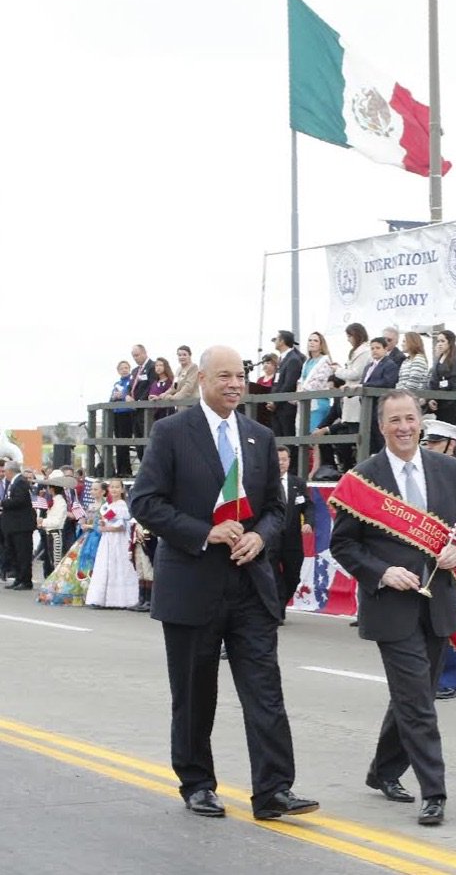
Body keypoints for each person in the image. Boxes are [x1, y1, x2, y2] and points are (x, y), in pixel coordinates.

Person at [131, 345, 317, 820]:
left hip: (249, 584)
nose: (235, 384)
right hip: (193, 584)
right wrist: (204, 531)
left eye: (240, 376)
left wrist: (259, 537)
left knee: (265, 690)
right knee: (195, 694)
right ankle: (197, 783)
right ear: (203, 381)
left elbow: (276, 509)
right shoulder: (171, 433)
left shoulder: (257, 435)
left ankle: (273, 791)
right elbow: (145, 502)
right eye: (224, 377)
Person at [329, 389, 456, 827]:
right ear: (382, 427)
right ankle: (435, 792)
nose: (404, 427)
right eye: (395, 421)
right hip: (391, 605)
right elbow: (343, 544)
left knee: (416, 695)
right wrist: (382, 572)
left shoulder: (450, 470)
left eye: (410, 418)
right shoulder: (362, 479)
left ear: (421, 422)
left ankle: (383, 770)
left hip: (438, 602)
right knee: (417, 701)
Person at [421, 420, 456, 700]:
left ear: (452, 445)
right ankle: (432, 676)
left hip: (452, 559)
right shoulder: (425, 473)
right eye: (427, 442)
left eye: (436, 442)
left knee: (452, 619)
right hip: (426, 556)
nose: (430, 447)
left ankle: (451, 678)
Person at [37, 480, 106, 606]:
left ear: (103, 492)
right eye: (92, 489)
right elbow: (85, 519)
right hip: (87, 536)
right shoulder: (91, 505)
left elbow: (103, 522)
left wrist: (91, 526)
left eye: (96, 489)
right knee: (73, 563)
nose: (93, 492)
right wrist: (83, 524)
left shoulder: (105, 506)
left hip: (98, 537)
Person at [269, 445, 315, 619]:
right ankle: (276, 611)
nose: (281, 463)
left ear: (289, 461)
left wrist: (309, 522)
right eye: (278, 460)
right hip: (271, 539)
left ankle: (280, 604)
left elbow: (308, 506)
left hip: (292, 538)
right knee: (272, 576)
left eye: (284, 460)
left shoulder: (298, 483)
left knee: (293, 575)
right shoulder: (266, 482)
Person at [85, 479, 139, 609]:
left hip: (118, 540)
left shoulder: (121, 506)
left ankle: (119, 599)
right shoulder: (109, 506)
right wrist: (103, 524)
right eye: (112, 487)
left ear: (122, 490)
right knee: (105, 565)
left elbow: (121, 527)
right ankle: (103, 598)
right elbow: (108, 521)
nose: (114, 490)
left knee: (117, 565)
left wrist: (106, 528)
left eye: (117, 487)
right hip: (108, 539)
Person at [332, 322, 370, 472]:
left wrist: (338, 370)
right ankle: (347, 467)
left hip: (357, 401)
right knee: (346, 436)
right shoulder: (357, 352)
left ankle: (356, 468)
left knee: (356, 436)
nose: (348, 339)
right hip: (350, 401)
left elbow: (356, 374)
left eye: (349, 336)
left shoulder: (364, 352)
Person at [269, 329, 305, 469]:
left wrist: (276, 401)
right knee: (278, 439)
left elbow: (289, 383)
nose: (275, 341)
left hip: (286, 407)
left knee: (288, 439)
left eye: (276, 339)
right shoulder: (283, 359)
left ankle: (292, 469)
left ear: (282, 341)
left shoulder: (293, 359)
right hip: (278, 407)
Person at [1, 460, 37, 591]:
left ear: (10, 471)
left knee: (23, 553)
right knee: (13, 552)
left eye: (5, 471)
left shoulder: (20, 482)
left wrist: (3, 503)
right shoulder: (14, 482)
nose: (4, 473)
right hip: (13, 525)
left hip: (21, 525)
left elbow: (20, 500)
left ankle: (26, 580)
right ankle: (18, 578)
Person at [363, 338, 400, 453]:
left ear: (385, 349)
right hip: (367, 407)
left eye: (378, 348)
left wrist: (365, 385)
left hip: (380, 406)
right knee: (370, 440)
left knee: (380, 439)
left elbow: (387, 382)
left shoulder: (390, 365)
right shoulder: (368, 366)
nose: (374, 351)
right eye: (372, 348)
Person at [125, 344, 158, 463]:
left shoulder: (153, 367)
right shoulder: (134, 371)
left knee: (148, 438)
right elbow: (129, 386)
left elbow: (151, 385)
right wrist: (127, 395)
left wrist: (139, 401)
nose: (135, 358)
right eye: (133, 356)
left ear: (144, 353)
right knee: (138, 439)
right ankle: (142, 464)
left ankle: (150, 465)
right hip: (134, 411)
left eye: (137, 355)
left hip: (146, 410)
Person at [297, 332, 333, 431]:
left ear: (321, 345)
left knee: (313, 434)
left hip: (318, 402)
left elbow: (319, 381)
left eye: (315, 340)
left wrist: (303, 391)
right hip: (304, 401)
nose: (312, 343)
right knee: (303, 432)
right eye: (310, 340)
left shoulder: (325, 361)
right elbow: (301, 380)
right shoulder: (307, 362)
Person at [38, 472, 73, 574]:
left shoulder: (60, 502)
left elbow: (57, 522)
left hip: (55, 534)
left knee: (56, 562)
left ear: (52, 489)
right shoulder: (56, 500)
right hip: (51, 533)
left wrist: (43, 521)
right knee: (52, 560)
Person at [426, 330, 456, 425]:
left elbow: (452, 381)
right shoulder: (439, 359)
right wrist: (431, 398)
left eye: (443, 341)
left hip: (450, 400)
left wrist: (438, 390)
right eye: (438, 341)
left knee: (447, 428)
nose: (439, 344)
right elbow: (434, 379)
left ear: (450, 342)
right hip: (439, 400)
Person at [110, 361, 134, 476]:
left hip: (127, 414)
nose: (124, 370)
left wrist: (122, 395)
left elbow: (129, 393)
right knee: (118, 443)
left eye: (126, 368)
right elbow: (112, 397)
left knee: (125, 442)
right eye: (122, 368)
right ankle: (120, 470)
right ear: (118, 371)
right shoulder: (117, 384)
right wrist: (114, 396)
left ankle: (126, 470)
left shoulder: (132, 381)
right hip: (117, 413)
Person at [251, 353, 278, 429]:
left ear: (274, 365)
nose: (265, 365)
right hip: (259, 409)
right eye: (264, 363)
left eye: (268, 363)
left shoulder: (276, 378)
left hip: (269, 409)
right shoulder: (260, 379)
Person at [148, 357, 176, 422]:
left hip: (167, 412)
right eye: (156, 365)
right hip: (155, 413)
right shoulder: (154, 383)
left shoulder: (170, 381)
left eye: (161, 365)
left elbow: (173, 392)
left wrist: (159, 397)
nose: (158, 367)